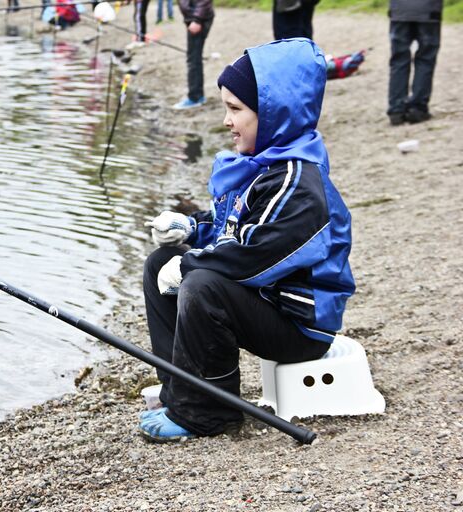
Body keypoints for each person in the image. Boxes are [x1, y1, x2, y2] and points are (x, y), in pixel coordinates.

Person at [140, 38, 355, 441]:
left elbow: (254, 256)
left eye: (236, 109)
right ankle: (181, 390)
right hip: (263, 303)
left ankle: (209, 412)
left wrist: (189, 265)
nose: (226, 120)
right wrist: (189, 228)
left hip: (298, 327)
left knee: (202, 283)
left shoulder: (298, 182)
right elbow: (232, 229)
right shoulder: (264, 165)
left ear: (275, 114)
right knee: (158, 263)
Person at [387, 0, 443, 125]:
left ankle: (396, 110)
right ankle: (417, 108)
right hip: (429, 11)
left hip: (399, 11)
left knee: (399, 59)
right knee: (426, 58)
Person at [171, 0, 214, 109]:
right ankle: (197, 96)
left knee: (194, 59)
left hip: (199, 20)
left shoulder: (198, 19)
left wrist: (197, 20)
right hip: (193, 19)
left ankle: (195, 97)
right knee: (194, 58)